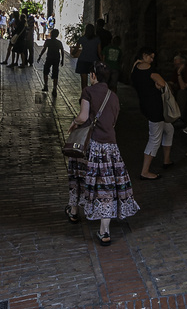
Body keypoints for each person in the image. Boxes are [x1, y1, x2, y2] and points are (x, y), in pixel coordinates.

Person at [65, 61, 139, 244]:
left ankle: (74, 212)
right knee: (106, 186)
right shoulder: (114, 96)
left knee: (79, 177)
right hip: (110, 147)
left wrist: (75, 122)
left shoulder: (88, 92)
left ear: (93, 75)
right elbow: (113, 121)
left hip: (91, 146)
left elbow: (83, 116)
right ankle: (104, 231)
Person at [130, 46, 174, 178]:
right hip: (155, 108)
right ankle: (145, 171)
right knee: (154, 139)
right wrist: (158, 84)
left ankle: (166, 160)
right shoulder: (149, 70)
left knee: (169, 129)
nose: (151, 60)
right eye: (150, 57)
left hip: (146, 105)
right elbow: (162, 83)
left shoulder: (134, 68)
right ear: (144, 55)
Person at [74, 22, 103, 90]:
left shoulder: (82, 38)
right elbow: (99, 52)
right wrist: (102, 61)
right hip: (93, 61)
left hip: (83, 60)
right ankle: (92, 95)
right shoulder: (97, 39)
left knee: (84, 81)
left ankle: (84, 95)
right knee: (93, 80)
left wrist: (73, 53)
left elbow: (76, 49)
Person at [38, 28, 65, 94]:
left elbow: (44, 49)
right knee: (55, 73)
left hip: (49, 58)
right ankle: (54, 89)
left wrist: (40, 56)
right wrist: (62, 60)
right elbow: (62, 51)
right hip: (56, 59)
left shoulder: (48, 41)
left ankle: (46, 85)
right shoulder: (59, 42)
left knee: (45, 72)